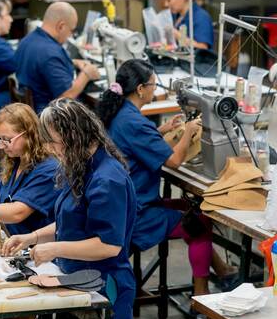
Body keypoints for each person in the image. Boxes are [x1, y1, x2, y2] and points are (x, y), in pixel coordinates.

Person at [97, 59, 237, 295]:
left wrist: (160, 131)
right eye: (153, 85)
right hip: (136, 215)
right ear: (141, 89)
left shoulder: (118, 113)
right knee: (200, 223)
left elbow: (135, 141)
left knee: (192, 210)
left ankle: (222, 271)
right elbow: (173, 161)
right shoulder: (135, 123)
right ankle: (201, 298)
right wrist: (189, 132)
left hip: (121, 205)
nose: (156, 89)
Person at [3, 98, 137, 319]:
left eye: (53, 143)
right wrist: (32, 237)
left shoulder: (107, 180)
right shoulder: (80, 165)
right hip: (74, 279)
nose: (51, 150)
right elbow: (71, 222)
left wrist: (55, 249)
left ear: (73, 137)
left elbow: (108, 245)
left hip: (103, 285)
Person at [0, 103, 60, 236]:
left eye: (7, 140)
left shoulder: (49, 170)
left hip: (33, 247)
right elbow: (0, 197)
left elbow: (17, 212)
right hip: (9, 237)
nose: (1, 147)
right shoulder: (16, 159)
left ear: (29, 134)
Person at [15, 2, 100, 113]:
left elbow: (40, 65)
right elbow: (65, 97)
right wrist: (86, 74)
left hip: (30, 112)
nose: (70, 35)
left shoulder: (27, 41)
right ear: (61, 26)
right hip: (50, 118)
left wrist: (73, 62)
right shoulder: (51, 52)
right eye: (71, 30)